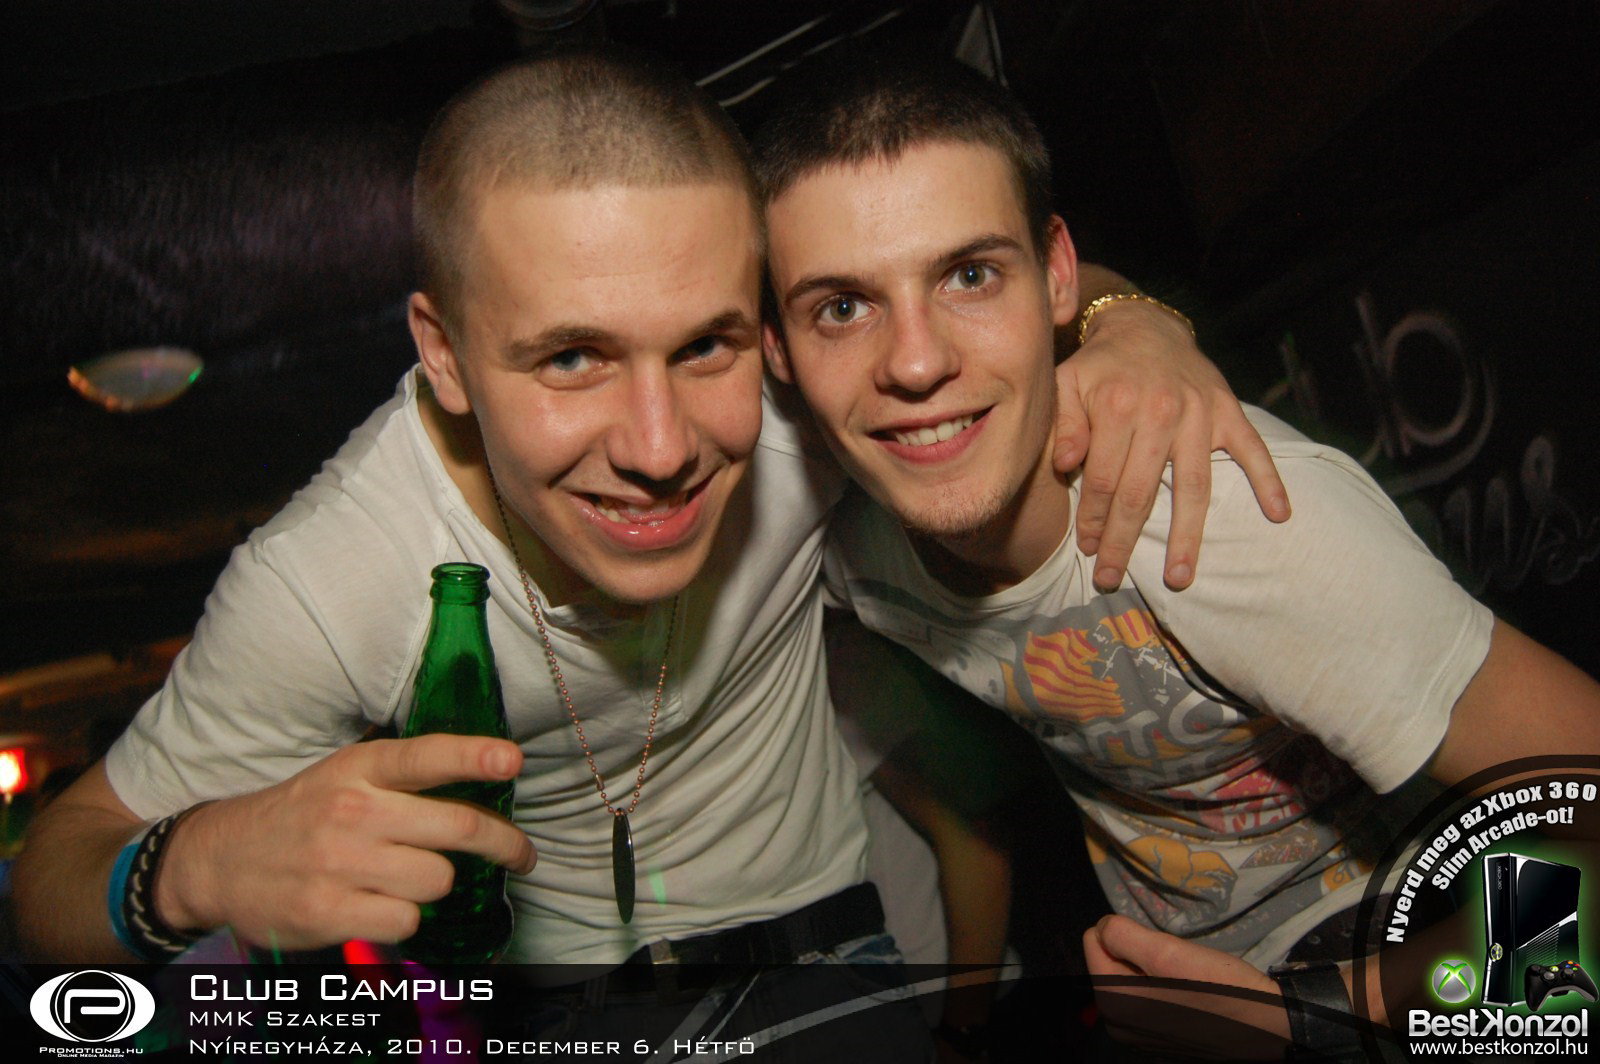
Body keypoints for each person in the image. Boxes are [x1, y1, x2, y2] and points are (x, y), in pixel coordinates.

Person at [12, 49, 1281, 1043]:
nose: (662, 446)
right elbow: (50, 885)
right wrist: (189, 864)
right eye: (573, 357)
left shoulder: (805, 408)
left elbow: (969, 293)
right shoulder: (337, 575)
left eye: (705, 344)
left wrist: (1130, 323)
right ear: (444, 354)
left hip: (830, 978)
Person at [752, 54, 1600, 1055]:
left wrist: (1316, 1011)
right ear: (777, 350)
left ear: (1055, 274)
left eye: (971, 275)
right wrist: (1127, 313)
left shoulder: (1228, 521)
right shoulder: (837, 534)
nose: (916, 360)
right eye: (842, 307)